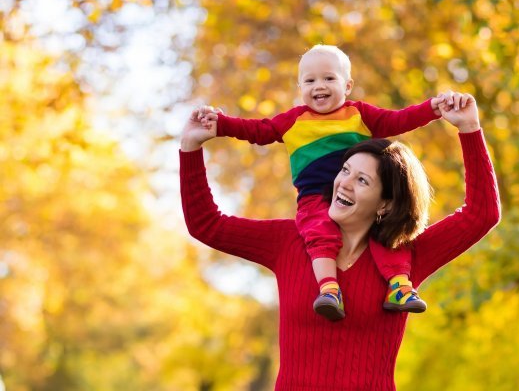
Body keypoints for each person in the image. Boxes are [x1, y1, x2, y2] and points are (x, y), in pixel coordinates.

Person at [180, 92, 500, 390]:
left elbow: (481, 214)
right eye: (345, 170)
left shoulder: (405, 257)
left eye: (362, 180)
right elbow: (207, 224)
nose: (343, 184)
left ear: (385, 203)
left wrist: (469, 128)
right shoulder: (290, 241)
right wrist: (191, 147)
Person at [195, 44, 453, 320]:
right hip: (314, 197)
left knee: (386, 233)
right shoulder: (293, 121)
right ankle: (329, 289)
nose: (320, 86)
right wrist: (221, 124)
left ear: (348, 85)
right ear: (300, 87)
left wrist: (432, 108)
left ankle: (400, 285)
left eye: (329, 78)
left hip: (357, 195)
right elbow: (258, 131)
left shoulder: (360, 115)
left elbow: (399, 119)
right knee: (319, 232)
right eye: (310, 80)